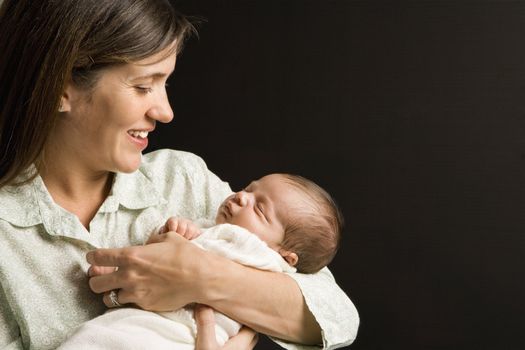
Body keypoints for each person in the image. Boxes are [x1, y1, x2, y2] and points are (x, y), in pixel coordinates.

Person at [0, 0, 359, 349]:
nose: (166, 111)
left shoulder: (182, 179)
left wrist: (201, 277)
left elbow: (335, 315)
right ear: (60, 88)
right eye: (143, 86)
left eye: (165, 84)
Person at [58, 173, 344, 349]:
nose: (241, 197)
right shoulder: (221, 232)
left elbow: (339, 317)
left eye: (260, 209)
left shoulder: (257, 252)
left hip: (171, 336)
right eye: (248, 189)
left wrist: (175, 239)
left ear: (285, 254)